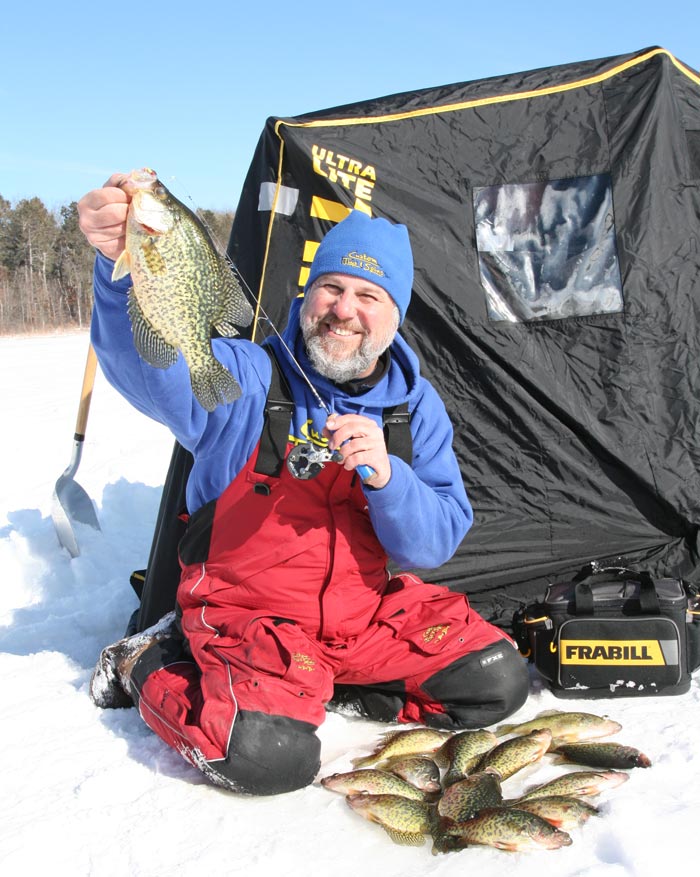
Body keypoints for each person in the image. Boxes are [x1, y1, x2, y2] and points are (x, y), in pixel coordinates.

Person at [78, 175, 529, 796]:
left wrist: (389, 477)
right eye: (332, 287)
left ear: (396, 317)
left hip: (359, 620)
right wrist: (118, 270)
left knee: (498, 678)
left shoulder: (414, 411)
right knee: (266, 758)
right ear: (307, 296)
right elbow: (151, 371)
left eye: (369, 295)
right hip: (249, 619)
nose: (345, 309)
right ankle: (146, 663)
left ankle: (322, 684)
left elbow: (434, 545)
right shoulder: (248, 375)